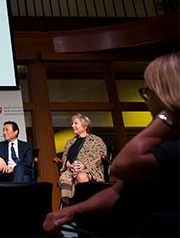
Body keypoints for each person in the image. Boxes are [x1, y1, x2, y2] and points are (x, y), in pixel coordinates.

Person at [43, 52, 179, 237]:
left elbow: (120, 165)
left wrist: (165, 116)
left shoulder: (170, 143)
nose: (146, 99)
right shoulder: (160, 139)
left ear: (168, 95)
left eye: (148, 92)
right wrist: (69, 212)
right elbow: (116, 192)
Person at [58, 114, 106, 206]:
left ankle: (85, 205)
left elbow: (100, 157)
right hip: (71, 170)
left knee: (81, 176)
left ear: (85, 126)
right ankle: (68, 205)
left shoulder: (96, 141)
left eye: (76, 123)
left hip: (90, 170)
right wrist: (68, 165)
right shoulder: (70, 142)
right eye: (72, 124)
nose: (73, 126)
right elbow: (65, 158)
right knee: (65, 178)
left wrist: (85, 165)